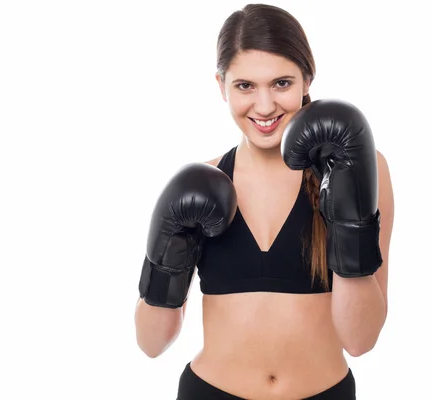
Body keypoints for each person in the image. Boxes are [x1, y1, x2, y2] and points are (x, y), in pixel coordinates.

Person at [134, 3, 394, 399]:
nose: (265, 106)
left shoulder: (356, 168)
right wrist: (163, 259)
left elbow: (361, 340)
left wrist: (348, 218)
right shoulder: (205, 181)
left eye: (281, 83)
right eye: (245, 86)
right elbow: (152, 344)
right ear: (220, 85)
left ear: (307, 79)